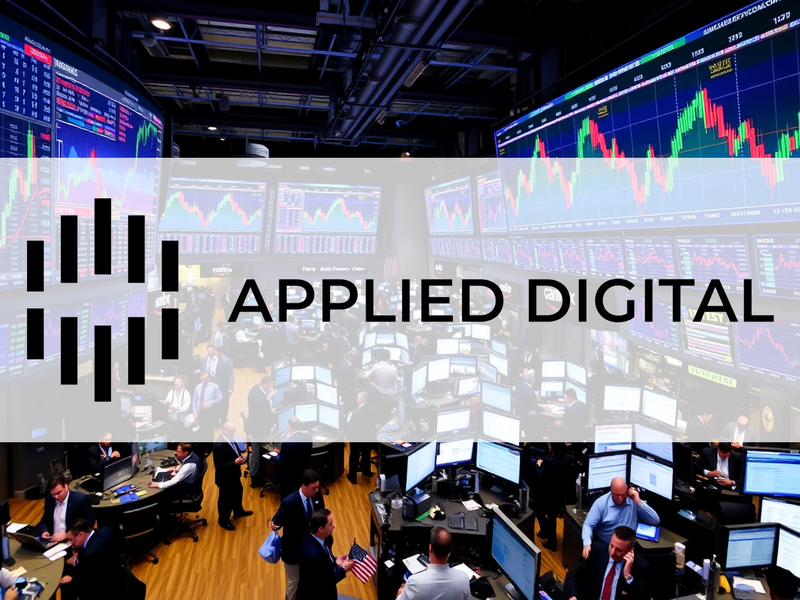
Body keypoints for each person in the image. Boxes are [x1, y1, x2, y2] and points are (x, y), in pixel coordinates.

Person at [270, 470, 326, 600]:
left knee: (308, 578)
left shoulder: (316, 496)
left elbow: (322, 514)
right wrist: (273, 524)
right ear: (304, 486)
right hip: (293, 550)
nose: (317, 490)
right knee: (294, 581)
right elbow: (276, 521)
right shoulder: (290, 502)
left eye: (318, 487)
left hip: (310, 548)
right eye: (313, 488)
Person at [581, 477, 659, 558]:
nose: (620, 499)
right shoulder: (601, 503)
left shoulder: (633, 500)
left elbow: (655, 520)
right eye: (617, 495)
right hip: (608, 546)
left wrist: (639, 502)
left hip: (628, 546)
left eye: (622, 494)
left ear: (627, 489)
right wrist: (587, 543)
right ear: (611, 491)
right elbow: (588, 525)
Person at [565, 526, 649, 600]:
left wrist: (628, 577)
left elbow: (643, 597)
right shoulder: (596, 551)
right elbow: (573, 575)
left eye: (618, 550)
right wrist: (573, 596)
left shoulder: (640, 567)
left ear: (630, 551)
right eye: (611, 545)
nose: (612, 552)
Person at [60, 520, 134, 600]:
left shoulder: (88, 555)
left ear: (80, 535)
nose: (71, 544)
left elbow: (85, 583)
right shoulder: (106, 530)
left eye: (71, 540)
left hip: (103, 591)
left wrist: (71, 579)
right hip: (120, 579)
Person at [396, 527, 470, 600]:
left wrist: (399, 593)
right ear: (451, 549)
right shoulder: (463, 579)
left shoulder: (414, 582)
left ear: (430, 548)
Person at [297, 509, 354, 600]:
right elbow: (326, 582)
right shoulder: (314, 555)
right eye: (330, 524)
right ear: (321, 529)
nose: (333, 526)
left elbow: (326, 560)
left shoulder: (324, 538)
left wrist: (335, 561)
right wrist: (343, 569)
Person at [212, 421, 253, 530]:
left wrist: (240, 459)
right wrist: (235, 462)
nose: (234, 432)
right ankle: (223, 520)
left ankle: (238, 511)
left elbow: (235, 451)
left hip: (234, 474)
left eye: (234, 430)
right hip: (225, 478)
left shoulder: (230, 439)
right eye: (232, 430)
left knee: (238, 492)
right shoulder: (219, 445)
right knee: (225, 500)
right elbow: (219, 466)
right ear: (224, 431)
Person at [36, 474, 95, 544]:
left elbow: (89, 522)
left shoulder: (79, 500)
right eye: (53, 494)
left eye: (59, 493)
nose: (56, 497)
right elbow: (44, 520)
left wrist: (67, 535)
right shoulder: (49, 499)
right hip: (52, 540)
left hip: (71, 542)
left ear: (66, 486)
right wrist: (44, 531)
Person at [535, 443, 571, 552]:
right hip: (560, 493)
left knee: (538, 510)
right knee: (552, 517)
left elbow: (540, 475)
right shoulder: (568, 457)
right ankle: (546, 533)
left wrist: (538, 465)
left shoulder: (549, 461)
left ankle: (551, 541)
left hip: (547, 493)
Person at [346, 392, 381, 483]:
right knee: (366, 454)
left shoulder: (356, 413)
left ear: (359, 400)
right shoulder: (373, 409)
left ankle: (352, 477)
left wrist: (348, 419)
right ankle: (366, 472)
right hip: (368, 437)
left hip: (357, 438)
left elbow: (350, 427)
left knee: (354, 456)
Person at [275, 417, 313, 499]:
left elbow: (281, 462)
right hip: (304, 475)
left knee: (287, 500)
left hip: (290, 479)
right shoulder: (308, 436)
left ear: (289, 427)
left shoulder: (286, 444)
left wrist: (274, 456)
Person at [192, 371, 222, 436]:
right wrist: (194, 413)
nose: (203, 380)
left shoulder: (214, 387)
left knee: (208, 431)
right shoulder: (197, 387)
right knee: (200, 431)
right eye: (201, 378)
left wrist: (211, 402)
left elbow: (219, 398)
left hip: (209, 411)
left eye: (205, 378)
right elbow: (194, 401)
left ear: (209, 378)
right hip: (200, 412)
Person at [247, 375, 277, 441]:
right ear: (265, 384)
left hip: (258, 424)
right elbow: (261, 409)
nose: (271, 387)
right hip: (258, 428)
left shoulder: (257, 387)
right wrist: (269, 398)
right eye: (270, 386)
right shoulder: (256, 397)